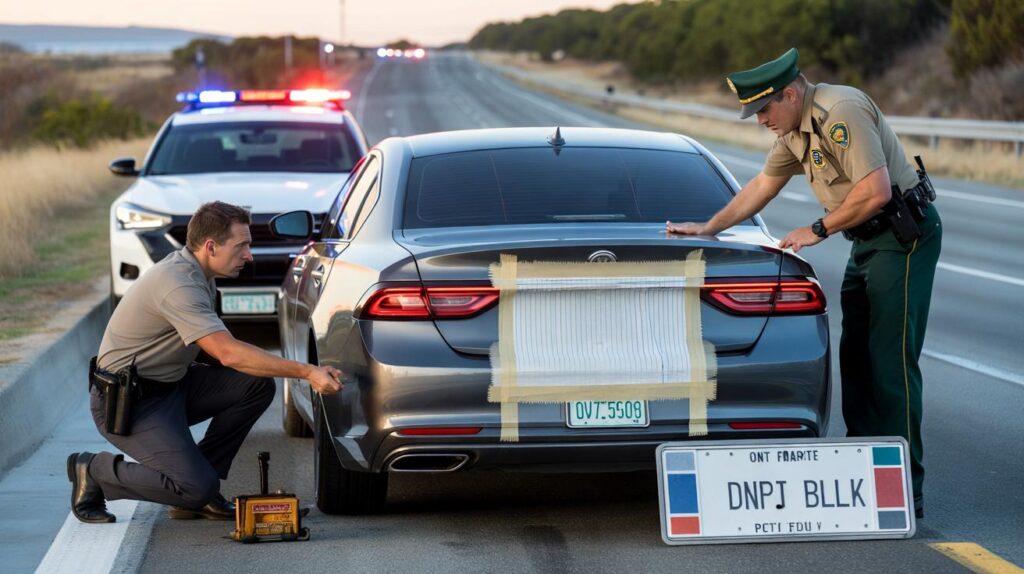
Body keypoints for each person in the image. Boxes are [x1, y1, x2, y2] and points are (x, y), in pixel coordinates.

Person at [667, 48, 941, 519]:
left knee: (890, 360)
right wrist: (708, 227)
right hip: (867, 241)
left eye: (763, 109)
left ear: (790, 95)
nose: (760, 121)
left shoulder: (840, 111)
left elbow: (876, 191)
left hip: (903, 237)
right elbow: (761, 186)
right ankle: (867, 465)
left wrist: (817, 229)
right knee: (856, 357)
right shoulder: (793, 131)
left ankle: (905, 485)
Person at [68, 201, 343, 523]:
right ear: (211, 247)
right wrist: (307, 371)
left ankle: (198, 491)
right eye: (241, 246)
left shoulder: (200, 275)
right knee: (194, 486)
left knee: (254, 385)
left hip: (170, 388)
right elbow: (227, 353)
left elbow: (212, 351)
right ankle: (94, 470)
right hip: (129, 404)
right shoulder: (178, 283)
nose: (249, 256)